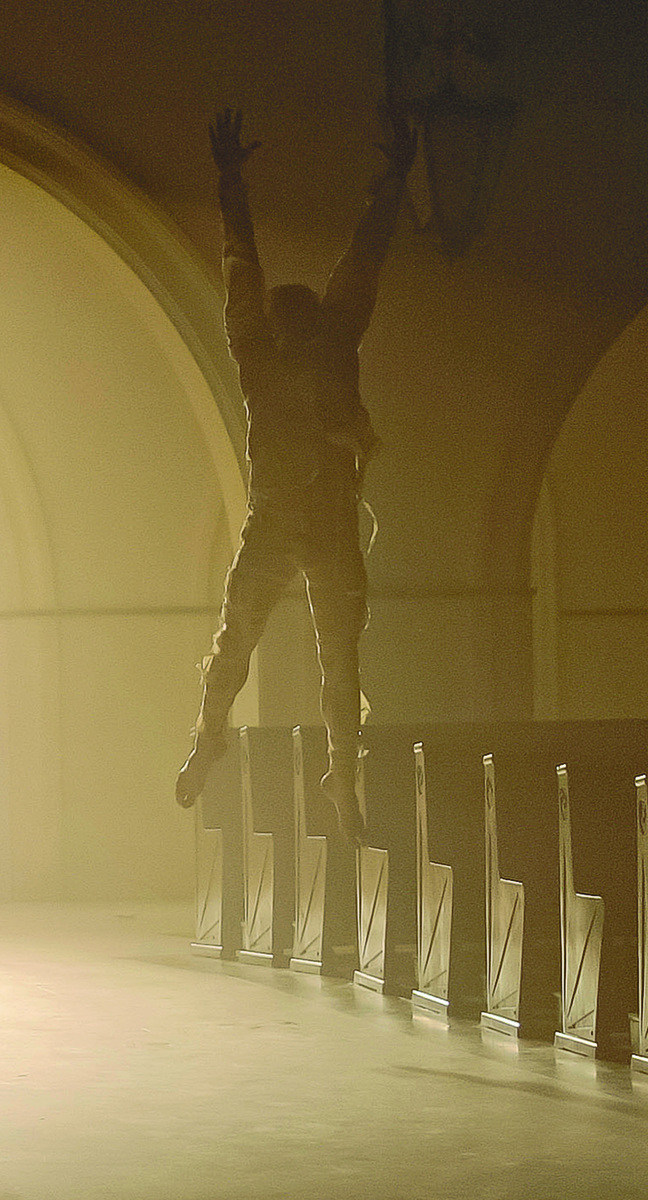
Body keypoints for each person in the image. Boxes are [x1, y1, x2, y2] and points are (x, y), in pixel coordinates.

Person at [174, 107, 417, 846]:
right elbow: (249, 266)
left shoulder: (284, 345)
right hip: (300, 520)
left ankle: (333, 770)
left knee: (273, 647)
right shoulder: (303, 343)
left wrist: (232, 184)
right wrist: (229, 185)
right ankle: (259, 749)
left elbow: (254, 266)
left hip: (301, 520)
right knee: (290, 650)